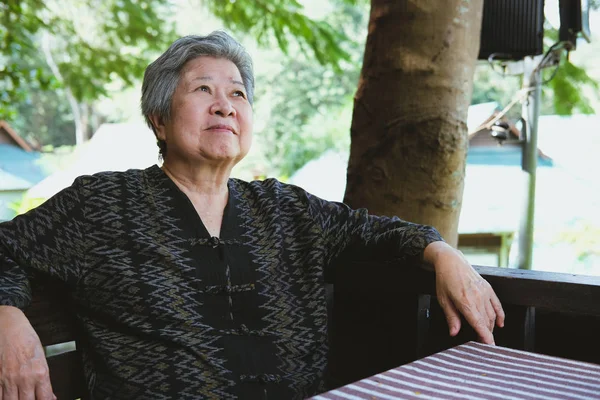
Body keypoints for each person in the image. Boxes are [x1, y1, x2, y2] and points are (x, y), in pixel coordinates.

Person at [0, 31, 504, 400]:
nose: (225, 106)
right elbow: (7, 247)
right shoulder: (103, 203)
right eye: (202, 90)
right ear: (159, 118)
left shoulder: (285, 209)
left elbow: (381, 232)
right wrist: (7, 314)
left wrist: (442, 252)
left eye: (237, 93)